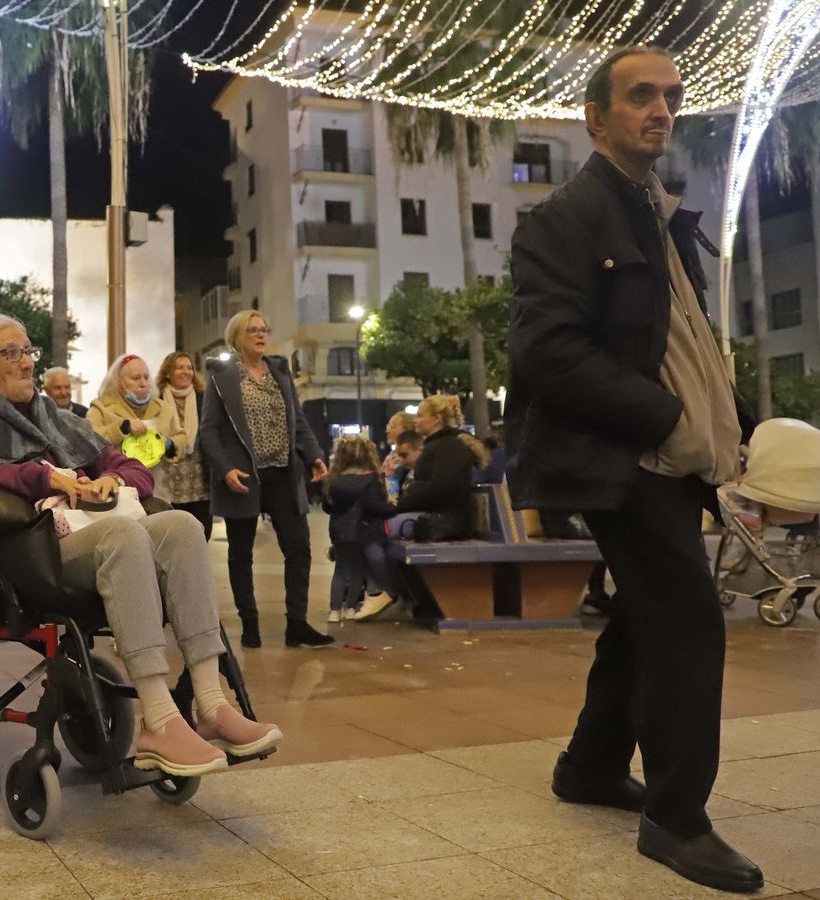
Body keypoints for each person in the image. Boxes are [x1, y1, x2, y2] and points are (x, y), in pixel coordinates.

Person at [508, 45, 760, 893]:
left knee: (644, 613)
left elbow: (684, 342)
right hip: (623, 455)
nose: (661, 110)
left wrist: (735, 422)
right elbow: (547, 352)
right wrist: (666, 417)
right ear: (596, 117)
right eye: (641, 95)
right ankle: (677, 820)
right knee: (687, 619)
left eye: (672, 97)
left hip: (671, 455)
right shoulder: (566, 219)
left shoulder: (660, 215)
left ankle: (590, 766)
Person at [0, 314, 284, 776]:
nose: (26, 362)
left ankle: (211, 703)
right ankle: (159, 720)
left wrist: (111, 479)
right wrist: (41, 477)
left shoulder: (57, 419)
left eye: (28, 351)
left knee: (182, 527)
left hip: (91, 538)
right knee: (125, 535)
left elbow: (134, 468)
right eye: (10, 353)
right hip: (26, 557)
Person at [199, 310, 333, 649]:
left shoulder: (279, 372)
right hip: (244, 477)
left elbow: (297, 421)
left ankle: (297, 623)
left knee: (299, 547)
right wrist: (225, 469)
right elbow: (209, 432)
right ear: (237, 337)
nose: (261, 335)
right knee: (241, 553)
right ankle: (250, 623)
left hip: (283, 473)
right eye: (253, 330)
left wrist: (315, 455)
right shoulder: (222, 376)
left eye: (264, 329)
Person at [87, 355, 187, 501]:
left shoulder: (164, 408)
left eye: (146, 377)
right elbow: (89, 440)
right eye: (135, 378)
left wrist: (170, 444)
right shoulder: (100, 407)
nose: (143, 383)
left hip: (159, 487)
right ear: (119, 381)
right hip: (118, 488)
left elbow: (182, 437)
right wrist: (122, 428)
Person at [391, 395, 490, 541]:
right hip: (436, 518)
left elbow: (440, 488)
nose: (416, 420)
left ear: (436, 419)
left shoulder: (448, 447)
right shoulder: (441, 445)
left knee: (379, 528)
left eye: (420, 416)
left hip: (443, 523)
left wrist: (406, 495)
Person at [322, 436, 397, 623]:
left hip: (338, 532)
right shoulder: (370, 479)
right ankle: (350, 608)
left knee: (340, 571)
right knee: (356, 570)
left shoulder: (334, 480)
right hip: (360, 531)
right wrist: (394, 507)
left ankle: (334, 611)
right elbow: (374, 507)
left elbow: (327, 506)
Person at [155, 351, 213, 538]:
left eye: (190, 368)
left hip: (199, 479)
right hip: (168, 478)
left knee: (203, 532)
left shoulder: (204, 399)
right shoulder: (156, 400)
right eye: (180, 367)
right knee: (174, 534)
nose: (187, 372)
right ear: (167, 373)